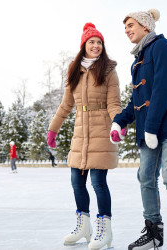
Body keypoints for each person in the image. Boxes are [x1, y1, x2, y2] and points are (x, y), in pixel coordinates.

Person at [110, 9, 167, 250]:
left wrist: (151, 127)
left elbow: (163, 88)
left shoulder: (162, 47)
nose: (127, 30)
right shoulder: (138, 59)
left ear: (146, 26)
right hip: (151, 130)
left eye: (130, 25)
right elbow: (137, 99)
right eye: (125, 27)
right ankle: (154, 232)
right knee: (145, 177)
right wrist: (120, 120)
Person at [47, 23, 124, 250]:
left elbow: (114, 103)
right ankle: (84, 227)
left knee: (99, 183)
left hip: (102, 131)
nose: (96, 45)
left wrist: (118, 124)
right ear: (84, 45)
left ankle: (105, 231)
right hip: (81, 134)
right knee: (76, 182)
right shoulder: (74, 70)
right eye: (92, 42)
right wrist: (53, 129)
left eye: (99, 42)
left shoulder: (109, 70)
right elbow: (66, 105)